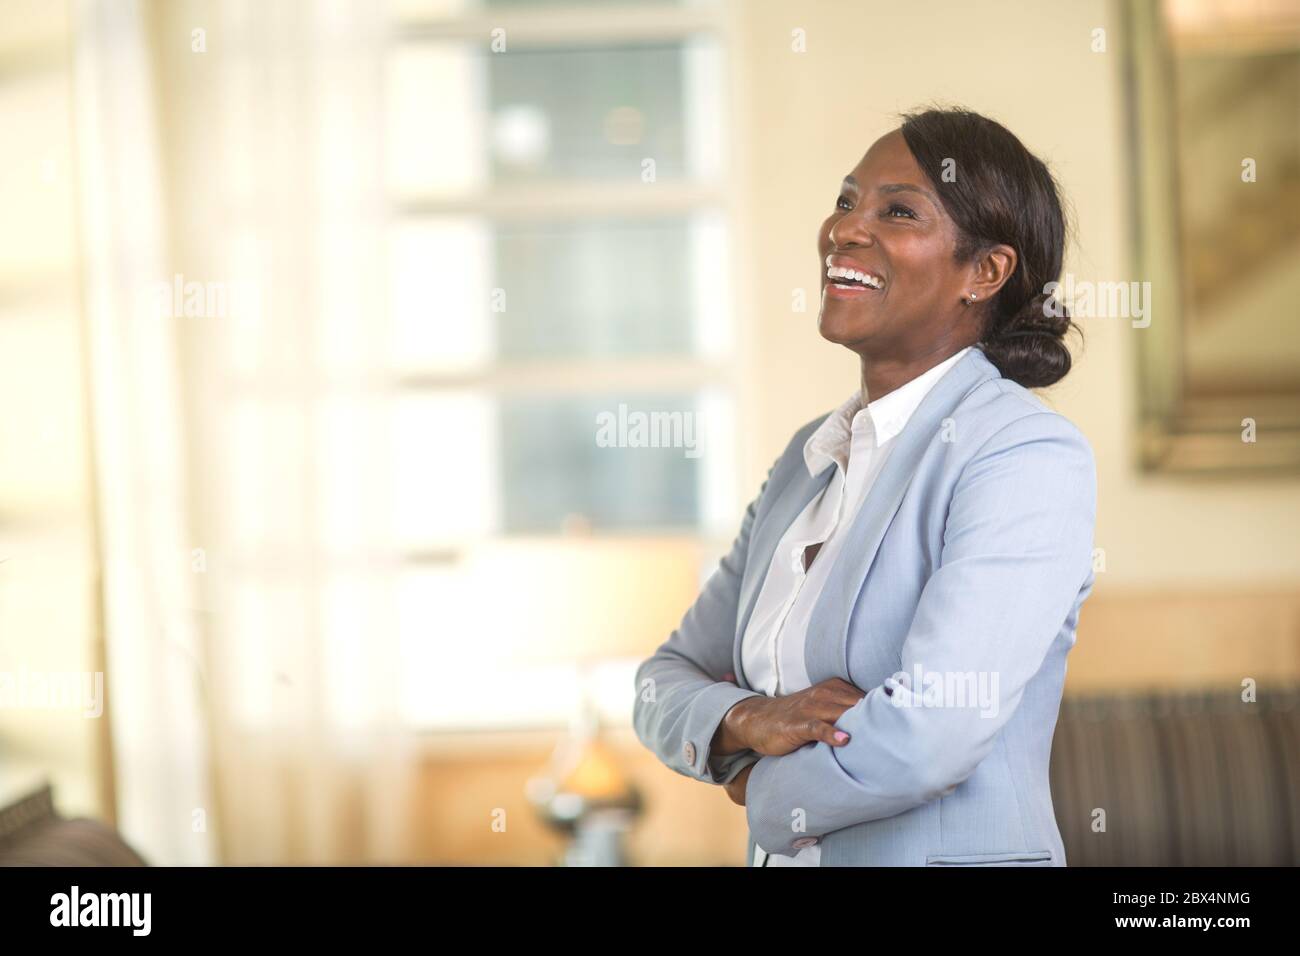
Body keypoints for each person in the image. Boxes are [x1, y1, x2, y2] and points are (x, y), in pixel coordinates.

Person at [632, 107, 1096, 866]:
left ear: (986, 272)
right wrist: (748, 718)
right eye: (847, 202)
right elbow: (662, 680)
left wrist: (767, 793)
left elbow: (935, 732)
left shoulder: (1021, 453)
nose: (847, 229)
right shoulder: (806, 459)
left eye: (898, 211)